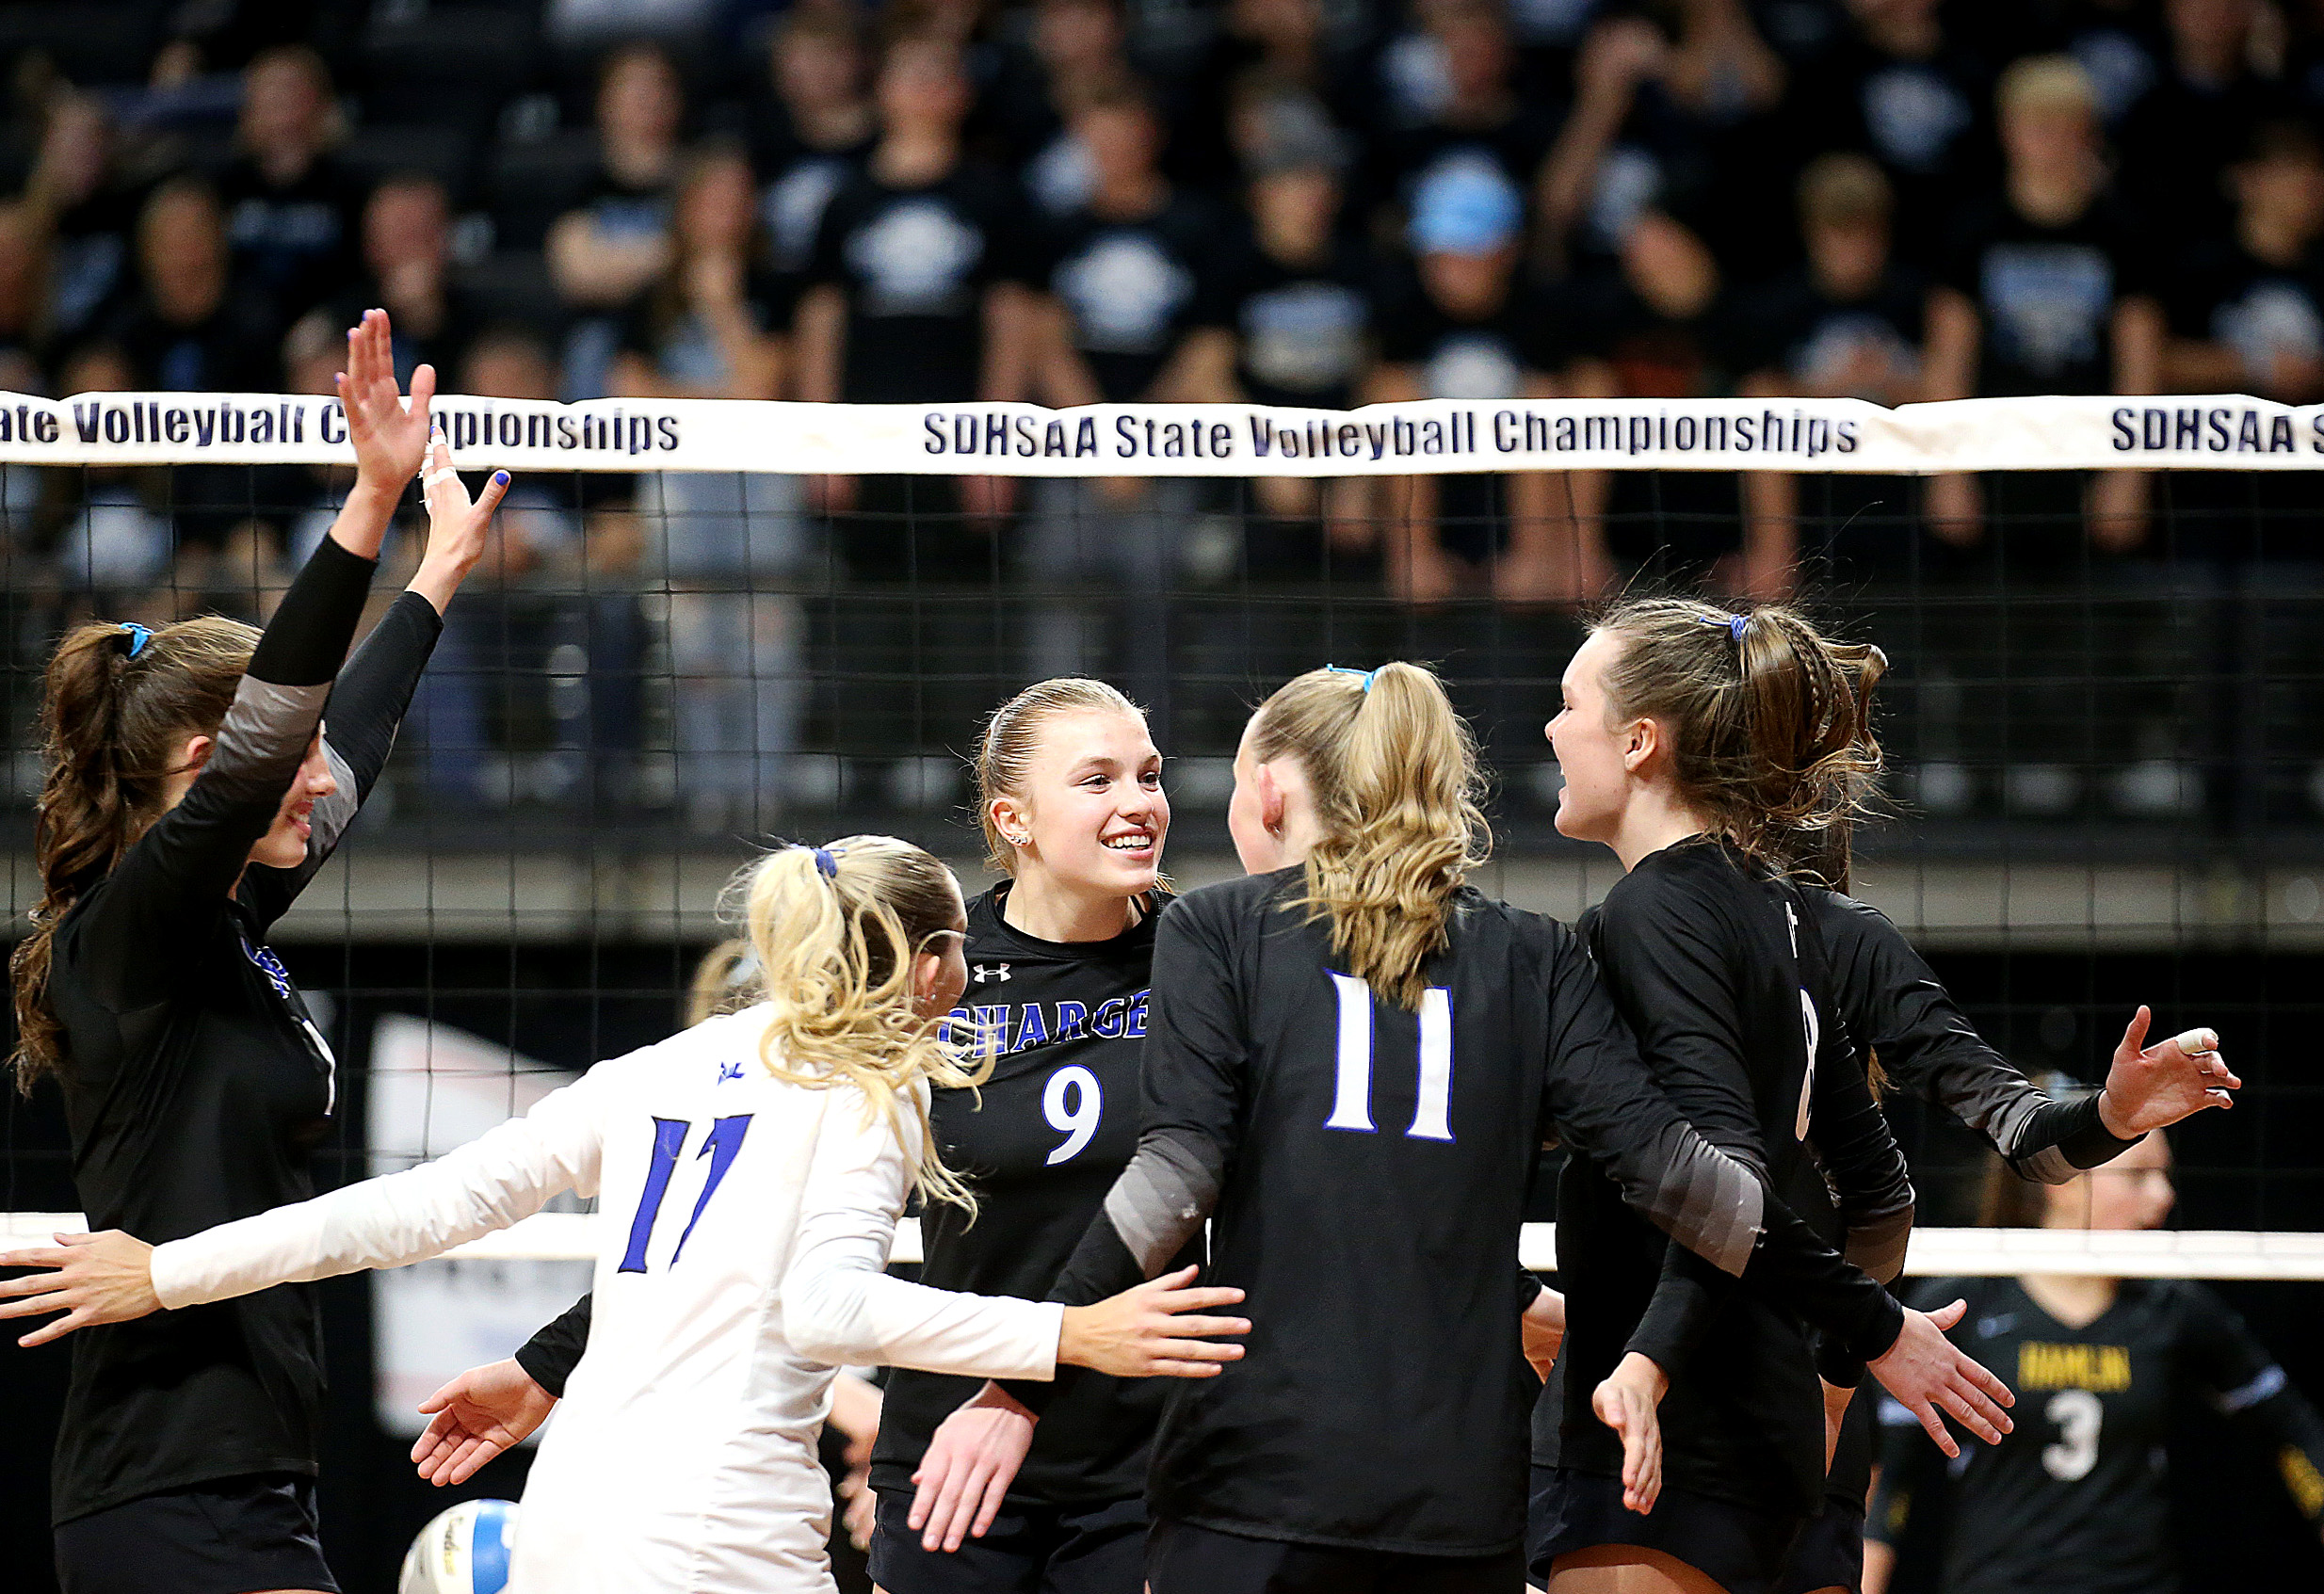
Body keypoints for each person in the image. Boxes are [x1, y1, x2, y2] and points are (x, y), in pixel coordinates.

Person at [913, 660, 2007, 1594]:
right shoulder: (1534, 953)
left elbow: (1178, 1174)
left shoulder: (1218, 927)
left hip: (1256, 1475)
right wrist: (1870, 1321)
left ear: (1267, 790)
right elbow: (1696, 1185)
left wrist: (1020, 1379)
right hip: (1456, 1489)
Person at [0, 836, 1252, 1594]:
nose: (970, 979)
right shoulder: (867, 1086)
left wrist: (166, 1269)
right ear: (925, 963)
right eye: (958, 957)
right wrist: (1066, 1339)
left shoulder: (668, 1065)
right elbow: (826, 1306)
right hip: (719, 1543)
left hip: (572, 1523)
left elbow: (411, 1210)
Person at [430, 677, 1184, 1594]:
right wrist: (545, 1365)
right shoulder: (931, 970)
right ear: (1012, 818)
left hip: (1142, 1460)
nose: (1139, 803)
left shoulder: (1204, 960)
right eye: (1098, 780)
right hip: (948, 1460)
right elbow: (745, 1216)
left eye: (1148, 776)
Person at [1, 309, 503, 1594]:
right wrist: (366, 502)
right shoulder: (123, 936)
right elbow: (274, 746)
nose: (308, 778)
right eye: (270, 761)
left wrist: (436, 572)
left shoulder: (224, 929)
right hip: (167, 1476)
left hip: (241, 1470)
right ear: (194, 777)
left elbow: (349, 746)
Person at [1529, 599, 2009, 1594]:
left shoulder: (1653, 910)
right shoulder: (1775, 907)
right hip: (1764, 1418)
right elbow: (1873, 1181)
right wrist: (1854, 1342)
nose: (1548, 726)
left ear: (1637, 740)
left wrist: (1650, 1362)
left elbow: (1721, 1185)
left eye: (1567, 701)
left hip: (1666, 1437)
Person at [1863, 1131, 2324, 1594]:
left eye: (2164, 1175)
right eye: (2138, 1176)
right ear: (2062, 1180)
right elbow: (1887, 1479)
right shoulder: (1962, 1304)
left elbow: (2293, 1430)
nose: (2165, 1197)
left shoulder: (2173, 1306)